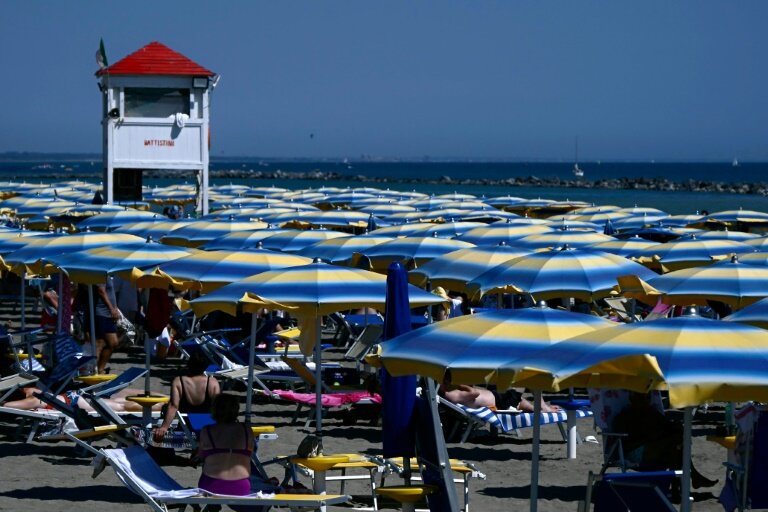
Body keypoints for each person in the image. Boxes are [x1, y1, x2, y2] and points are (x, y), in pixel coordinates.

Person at [612, 391, 718, 490]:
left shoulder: (651, 412)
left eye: (648, 398)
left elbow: (667, 425)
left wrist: (676, 426)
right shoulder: (625, 416)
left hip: (653, 448)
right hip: (635, 453)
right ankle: (691, 478)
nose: (645, 400)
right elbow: (625, 441)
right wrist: (654, 437)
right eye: (641, 398)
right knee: (675, 442)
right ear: (632, 398)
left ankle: (680, 486)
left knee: (675, 447)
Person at [153, 351, 221, 443]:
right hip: (208, 427)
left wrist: (164, 427)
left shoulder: (179, 381)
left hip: (186, 426)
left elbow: (173, 406)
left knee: (166, 406)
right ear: (205, 366)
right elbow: (219, 406)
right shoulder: (212, 382)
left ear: (189, 364)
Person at [196, 393, 254, 497]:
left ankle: (212, 506)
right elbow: (250, 455)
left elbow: (200, 456)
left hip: (211, 486)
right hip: (240, 487)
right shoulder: (247, 430)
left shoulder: (207, 430)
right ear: (236, 410)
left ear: (214, 410)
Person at [440, 375, 562, 413]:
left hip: (500, 399)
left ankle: (539, 409)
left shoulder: (452, 392)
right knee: (527, 379)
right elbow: (474, 393)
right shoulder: (452, 394)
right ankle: (542, 406)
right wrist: (460, 385)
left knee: (520, 402)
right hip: (500, 402)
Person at [3, 386, 166, 413]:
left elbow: (6, 406)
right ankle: (166, 402)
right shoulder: (29, 389)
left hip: (74, 403)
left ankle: (163, 407)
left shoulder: (31, 399)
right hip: (73, 397)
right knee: (122, 400)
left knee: (120, 407)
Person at [94, 277, 122, 374]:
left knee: (113, 343)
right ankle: (93, 372)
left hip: (108, 313)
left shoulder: (108, 273)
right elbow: (101, 290)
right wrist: (111, 308)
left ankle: (99, 369)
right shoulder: (101, 272)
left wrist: (114, 308)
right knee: (99, 343)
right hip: (101, 312)